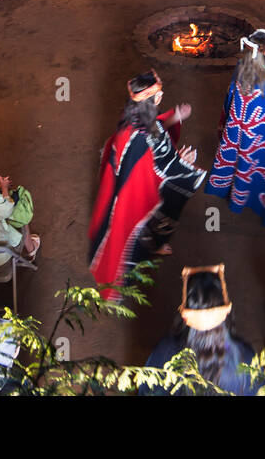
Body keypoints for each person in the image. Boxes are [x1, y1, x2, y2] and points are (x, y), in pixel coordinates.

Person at [88, 71, 205, 298]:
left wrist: (175, 116)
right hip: (137, 193)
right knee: (157, 211)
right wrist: (182, 162)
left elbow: (156, 130)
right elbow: (162, 167)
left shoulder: (131, 117)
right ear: (154, 100)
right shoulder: (145, 137)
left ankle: (156, 243)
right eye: (159, 95)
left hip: (121, 185)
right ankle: (150, 250)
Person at [207, 29, 265, 228]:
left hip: (238, 130)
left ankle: (235, 198)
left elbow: (230, 96)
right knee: (257, 166)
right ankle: (254, 202)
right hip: (258, 134)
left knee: (237, 161)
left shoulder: (240, 67)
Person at [145, 265, 259, 394]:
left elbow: (146, 389)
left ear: (184, 315)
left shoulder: (164, 352)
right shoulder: (245, 356)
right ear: (226, 313)